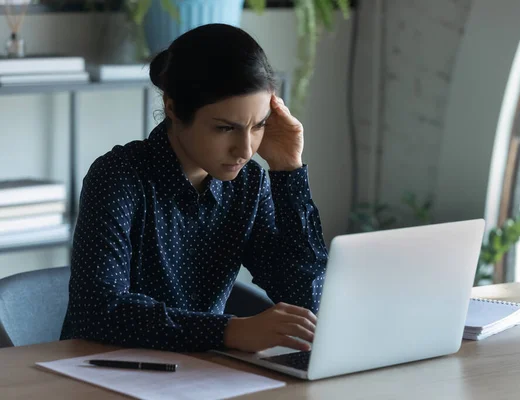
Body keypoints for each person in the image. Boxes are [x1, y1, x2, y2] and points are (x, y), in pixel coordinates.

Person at [60, 23, 328, 353]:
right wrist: (229, 332)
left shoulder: (248, 185)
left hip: (202, 374)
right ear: (173, 108)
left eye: (257, 126)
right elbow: (98, 312)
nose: (245, 150)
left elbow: (306, 299)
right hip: (101, 372)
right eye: (225, 128)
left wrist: (288, 170)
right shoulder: (118, 177)